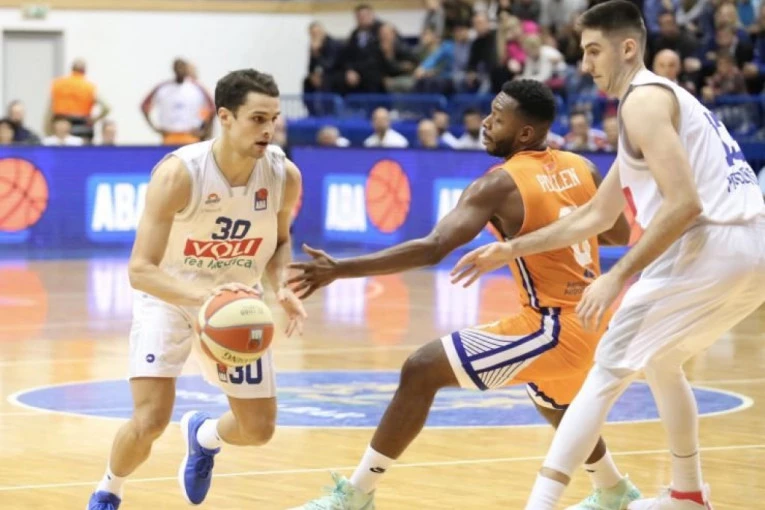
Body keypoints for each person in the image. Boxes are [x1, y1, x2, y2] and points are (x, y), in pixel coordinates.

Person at [451, 3, 765, 509]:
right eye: (583, 52)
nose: (586, 64)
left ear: (628, 48)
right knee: (663, 361)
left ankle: (541, 503)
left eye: (594, 51)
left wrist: (617, 276)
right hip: (753, 252)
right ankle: (687, 494)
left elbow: (684, 204)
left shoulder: (642, 101)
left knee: (604, 372)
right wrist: (510, 248)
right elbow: (595, 215)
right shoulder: (659, 102)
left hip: (713, 245)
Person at [287, 79, 639, 510]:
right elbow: (617, 233)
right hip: (592, 318)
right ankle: (613, 489)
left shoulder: (500, 184)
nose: (486, 123)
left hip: (553, 325)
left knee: (422, 369)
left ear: (525, 133)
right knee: (553, 400)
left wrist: (340, 269)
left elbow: (433, 247)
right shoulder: (582, 166)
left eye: (498, 117)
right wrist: (557, 226)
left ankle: (356, 495)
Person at [86, 69, 307, 510]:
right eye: (257, 118)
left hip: (237, 304)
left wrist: (281, 283)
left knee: (259, 430)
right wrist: (203, 299)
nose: (268, 130)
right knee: (150, 420)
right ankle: (109, 489)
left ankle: (204, 436)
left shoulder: (284, 175)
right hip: (168, 296)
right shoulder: (180, 174)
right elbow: (140, 270)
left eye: (273, 119)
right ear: (225, 117)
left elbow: (281, 241)